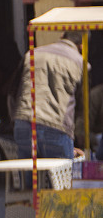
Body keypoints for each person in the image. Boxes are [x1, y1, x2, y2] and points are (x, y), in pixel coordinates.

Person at [13, 31, 84, 160]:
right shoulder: (80, 63)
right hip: (57, 127)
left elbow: (13, 91)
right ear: (81, 46)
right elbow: (82, 107)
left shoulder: (31, 54)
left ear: (62, 36)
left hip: (24, 124)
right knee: (61, 178)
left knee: (30, 178)